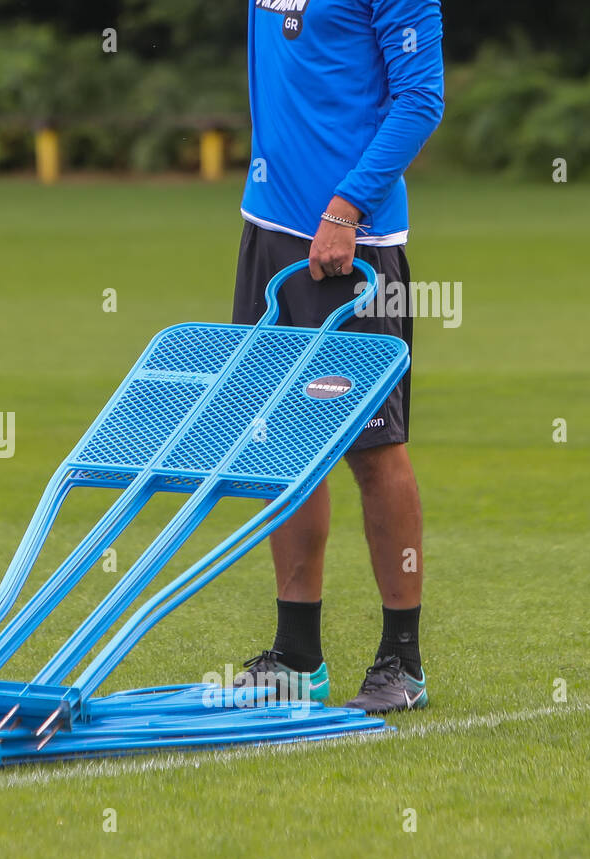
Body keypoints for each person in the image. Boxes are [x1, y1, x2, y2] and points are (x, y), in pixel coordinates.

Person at [228, 0, 444, 713]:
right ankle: (296, 656)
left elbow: (421, 97)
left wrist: (347, 207)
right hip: (269, 231)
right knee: (284, 447)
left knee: (373, 449)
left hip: (354, 245)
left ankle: (401, 663)